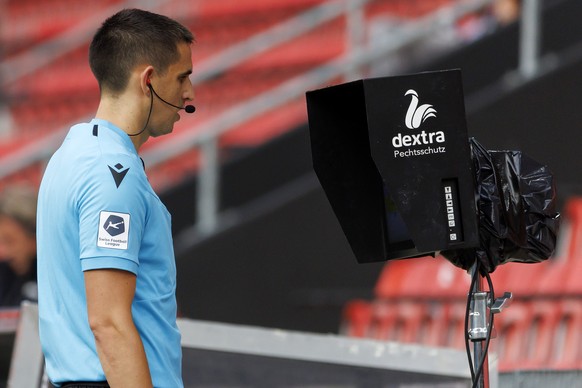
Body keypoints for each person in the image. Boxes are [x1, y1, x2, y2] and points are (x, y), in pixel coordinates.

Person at [36, 9, 195, 388]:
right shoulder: (112, 174)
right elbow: (107, 323)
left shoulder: (70, 156)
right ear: (149, 80)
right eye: (183, 77)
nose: (189, 93)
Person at [0, 184, 38, 307]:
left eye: (10, 241)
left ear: (34, 238)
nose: (4, 252)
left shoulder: (56, 275)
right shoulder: (4, 271)